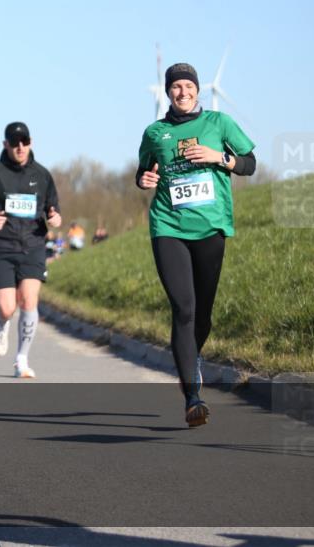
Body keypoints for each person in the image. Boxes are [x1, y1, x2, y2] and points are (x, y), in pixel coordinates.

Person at [137, 62, 256, 428]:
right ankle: (193, 398)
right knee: (183, 308)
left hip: (210, 228)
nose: (182, 92)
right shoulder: (155, 132)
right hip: (168, 227)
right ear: (168, 92)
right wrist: (144, 179)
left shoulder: (220, 124)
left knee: (202, 315)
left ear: (198, 90)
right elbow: (143, 171)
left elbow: (250, 163)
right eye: (175, 87)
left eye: (188, 86)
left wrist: (219, 157)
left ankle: (192, 359)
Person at [0, 122, 62, 379]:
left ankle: (21, 359)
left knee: (29, 300)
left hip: (33, 245)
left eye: (24, 141)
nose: (20, 147)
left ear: (30, 142)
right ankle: (1, 323)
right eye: (14, 142)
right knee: (8, 307)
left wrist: (55, 218)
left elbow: (53, 209)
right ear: (6, 145)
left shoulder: (42, 175)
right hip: (2, 246)